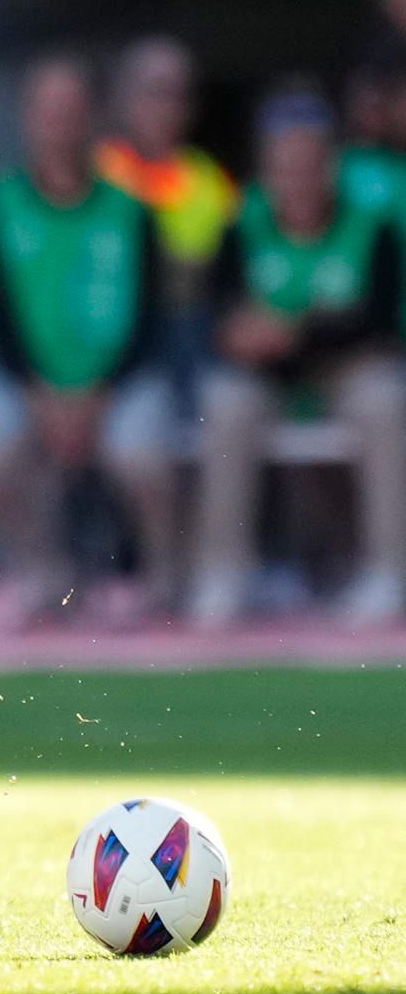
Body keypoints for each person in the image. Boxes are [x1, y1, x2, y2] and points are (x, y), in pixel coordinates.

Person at [0, 56, 175, 623]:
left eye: (73, 113)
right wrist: (41, 393)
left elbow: (150, 317)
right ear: (29, 120)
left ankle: (162, 576)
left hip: (118, 381)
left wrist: (98, 393)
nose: (61, 127)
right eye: (49, 113)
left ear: (94, 120)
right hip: (31, 380)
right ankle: (45, 573)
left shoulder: (132, 209)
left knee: (141, 455)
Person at [192, 86, 406, 627]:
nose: (299, 178)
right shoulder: (242, 225)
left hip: (345, 374)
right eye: (286, 165)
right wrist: (249, 334)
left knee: (387, 399)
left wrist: (294, 330)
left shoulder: (370, 227)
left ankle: (388, 570)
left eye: (310, 163)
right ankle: (226, 571)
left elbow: (377, 322)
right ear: (269, 169)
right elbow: (221, 317)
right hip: (268, 380)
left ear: (329, 164)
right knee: (224, 404)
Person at [95, 36, 236, 407]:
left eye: (179, 95)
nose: (168, 108)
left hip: (190, 335)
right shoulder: (97, 173)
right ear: (123, 98)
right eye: (156, 92)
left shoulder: (210, 181)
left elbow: (227, 274)